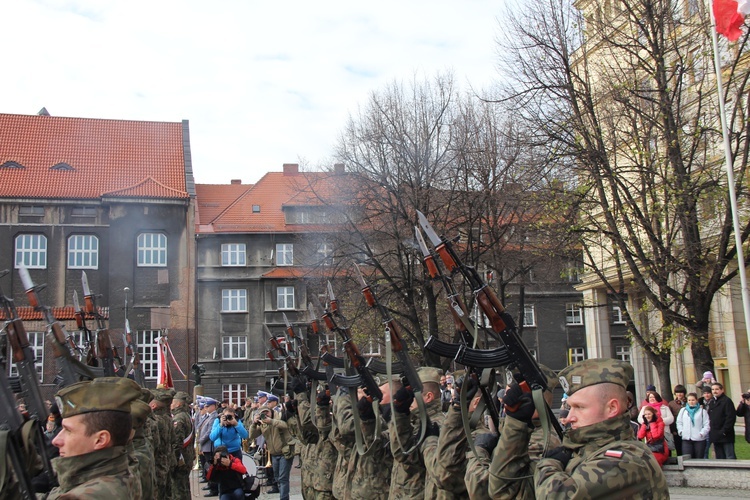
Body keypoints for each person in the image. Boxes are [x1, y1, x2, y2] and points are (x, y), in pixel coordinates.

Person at [507, 358, 668, 498]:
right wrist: (516, 423)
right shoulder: (586, 450)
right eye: (570, 407)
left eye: (580, 407)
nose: (570, 417)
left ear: (612, 408)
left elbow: (557, 496)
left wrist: (548, 463)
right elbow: (507, 491)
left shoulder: (627, 459)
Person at [46, 377, 142, 498]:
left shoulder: (85, 496)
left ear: (100, 439)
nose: (56, 440)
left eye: (68, 430)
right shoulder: (118, 473)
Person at [248, 406, 294, 499]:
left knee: (283, 478)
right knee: (277, 478)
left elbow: (284, 425)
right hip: (273, 454)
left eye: (267, 412)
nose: (266, 415)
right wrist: (254, 423)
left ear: (271, 412)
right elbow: (252, 435)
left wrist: (271, 421)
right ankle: (283, 495)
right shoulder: (262, 424)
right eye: (263, 413)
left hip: (285, 452)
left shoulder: (279, 417)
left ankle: (284, 498)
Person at [676, 392, 710, 459]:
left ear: (696, 400)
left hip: (699, 439)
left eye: (693, 400)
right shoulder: (683, 411)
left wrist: (702, 433)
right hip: (686, 438)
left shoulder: (702, 411)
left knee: (699, 458)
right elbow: (679, 422)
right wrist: (681, 431)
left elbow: (706, 424)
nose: (691, 402)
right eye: (689, 400)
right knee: (687, 458)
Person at [707, 382, 736, 459]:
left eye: (717, 389)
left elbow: (730, 417)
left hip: (725, 435)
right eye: (713, 389)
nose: (714, 391)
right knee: (719, 457)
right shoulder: (712, 401)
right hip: (715, 434)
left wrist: (724, 431)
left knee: (729, 456)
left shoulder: (727, 401)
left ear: (722, 390)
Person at [668, 384, 687, 456]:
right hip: (676, 428)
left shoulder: (688, 402)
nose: (679, 394)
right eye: (677, 392)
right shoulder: (671, 404)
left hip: (687, 427)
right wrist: (673, 430)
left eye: (681, 392)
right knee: (678, 447)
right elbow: (671, 417)